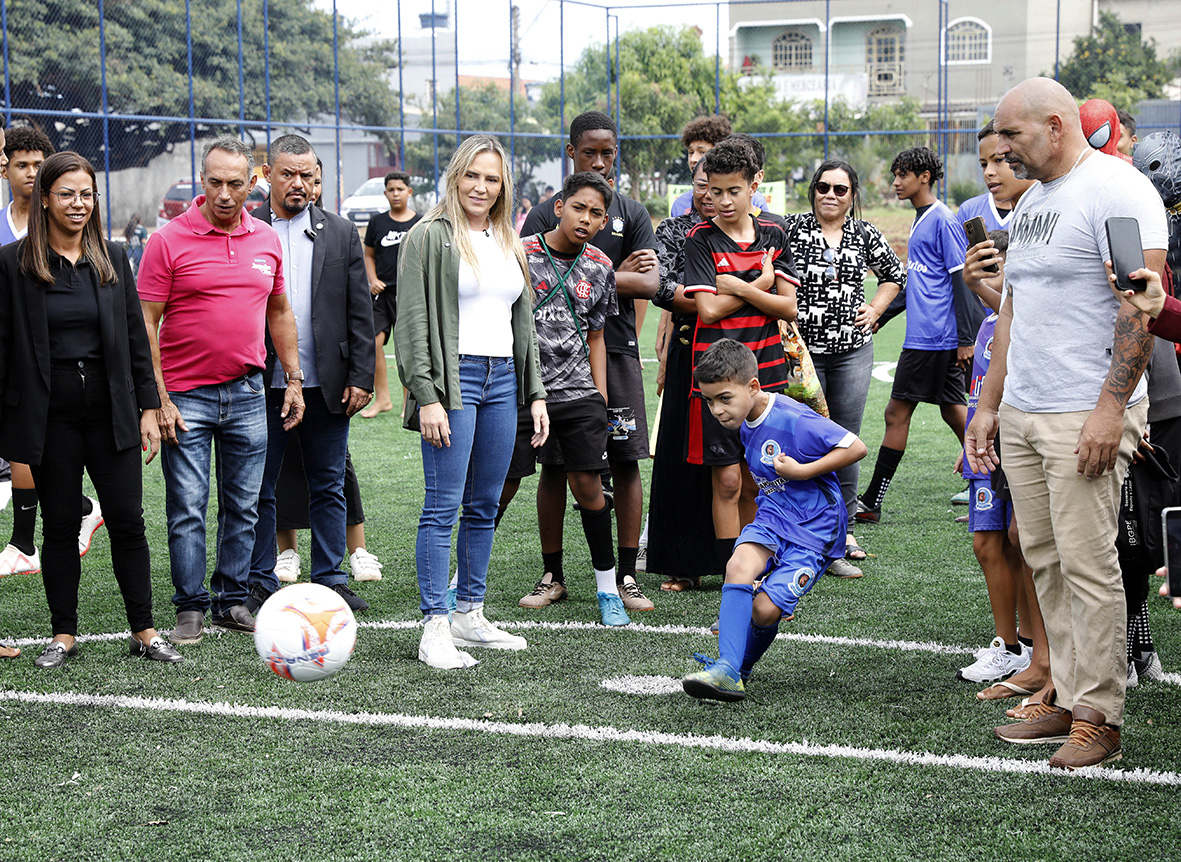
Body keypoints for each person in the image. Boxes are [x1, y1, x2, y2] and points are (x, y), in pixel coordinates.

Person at [966, 77, 1167, 769]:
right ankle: (1062, 692)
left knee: (1087, 565)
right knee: (1043, 559)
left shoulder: (1118, 189)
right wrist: (988, 407)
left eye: (1012, 135)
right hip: (1024, 411)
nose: (1003, 149)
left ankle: (1099, 718)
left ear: (1054, 126)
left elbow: (1137, 306)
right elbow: (1012, 314)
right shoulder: (1033, 204)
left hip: (1084, 413)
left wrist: (1110, 410)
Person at [0, 151, 183, 667]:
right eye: (66, 194)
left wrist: (150, 406)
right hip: (48, 418)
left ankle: (145, 631)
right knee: (58, 525)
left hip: (112, 414)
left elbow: (134, 339)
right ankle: (63, 636)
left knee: (127, 520)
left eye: (86, 194)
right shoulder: (13, 265)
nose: (78, 204)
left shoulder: (114, 257)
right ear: (44, 199)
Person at [138, 135, 304, 645]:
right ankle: (189, 607)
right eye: (215, 183)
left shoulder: (265, 240)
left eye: (236, 183)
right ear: (202, 179)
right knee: (187, 505)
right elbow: (146, 322)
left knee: (245, 503)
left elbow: (279, 312)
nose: (226, 194)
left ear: (252, 181)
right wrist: (158, 399)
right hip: (185, 397)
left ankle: (230, 599)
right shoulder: (168, 239)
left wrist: (293, 378)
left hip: (249, 392)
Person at [395, 134, 548, 669]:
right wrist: (427, 396)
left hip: (503, 379)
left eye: (492, 178)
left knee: (484, 505)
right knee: (442, 507)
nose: (481, 187)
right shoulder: (428, 237)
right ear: (456, 176)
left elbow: (522, 321)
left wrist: (535, 393)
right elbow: (411, 322)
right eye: (472, 176)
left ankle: (469, 613)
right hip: (452, 380)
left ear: (503, 185)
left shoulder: (510, 238)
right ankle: (434, 626)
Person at [519, 111, 658, 612]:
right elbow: (539, 267)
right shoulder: (542, 213)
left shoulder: (633, 212)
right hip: (551, 368)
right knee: (555, 467)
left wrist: (608, 273)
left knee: (625, 461)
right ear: (571, 152)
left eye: (609, 154)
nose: (600, 162)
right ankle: (552, 574)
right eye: (590, 152)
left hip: (613, 356)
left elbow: (649, 282)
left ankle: (624, 578)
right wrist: (611, 270)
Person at [681, 339, 867, 701]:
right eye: (709, 401)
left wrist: (803, 471)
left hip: (815, 528)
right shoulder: (746, 419)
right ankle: (727, 668)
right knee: (739, 566)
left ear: (753, 387)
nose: (717, 410)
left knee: (765, 610)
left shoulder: (793, 417)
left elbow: (855, 447)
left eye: (724, 398)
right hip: (774, 516)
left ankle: (740, 668)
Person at [245, 135, 375, 615]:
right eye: (287, 173)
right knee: (259, 486)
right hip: (259, 383)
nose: (298, 183)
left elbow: (360, 311)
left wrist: (362, 375)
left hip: (328, 382)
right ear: (267, 174)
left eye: (306, 175)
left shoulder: (340, 232)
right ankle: (257, 580)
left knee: (328, 482)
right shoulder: (246, 227)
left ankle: (330, 578)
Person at [499, 172, 633, 624]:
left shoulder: (599, 266)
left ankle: (607, 589)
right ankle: (479, 581)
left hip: (578, 394)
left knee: (588, 485)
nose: (587, 218)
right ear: (560, 207)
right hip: (521, 391)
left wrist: (600, 395)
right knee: (504, 484)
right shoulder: (521, 254)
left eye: (597, 213)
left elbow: (597, 336)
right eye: (579, 208)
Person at [683, 138, 800, 582]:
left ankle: (761, 571)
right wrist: (762, 284)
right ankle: (735, 577)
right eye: (715, 191)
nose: (724, 201)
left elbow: (789, 307)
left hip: (766, 372)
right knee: (728, 481)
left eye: (734, 190)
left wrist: (742, 285)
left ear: (755, 184)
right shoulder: (700, 238)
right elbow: (707, 311)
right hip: (716, 380)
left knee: (759, 479)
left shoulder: (774, 233)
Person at [781, 159, 905, 577]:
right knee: (800, 438)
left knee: (845, 439)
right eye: (823, 187)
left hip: (852, 351)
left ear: (853, 196)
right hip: (801, 354)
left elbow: (894, 275)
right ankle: (796, 529)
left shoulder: (865, 233)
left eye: (840, 189)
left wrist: (876, 308)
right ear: (812, 191)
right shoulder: (792, 228)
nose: (830, 195)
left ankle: (843, 531)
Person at [0, 126, 102, 578]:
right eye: (21, 164)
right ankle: (78, 506)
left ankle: (24, 542)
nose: (30, 173)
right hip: (13, 344)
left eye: (38, 165)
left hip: (53, 357)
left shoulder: (70, 222)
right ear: (6, 169)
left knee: (33, 446)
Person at [856, 146, 972, 523]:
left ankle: (872, 501)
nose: (895, 182)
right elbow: (917, 284)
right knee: (955, 412)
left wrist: (965, 339)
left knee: (896, 413)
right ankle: (993, 482)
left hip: (933, 339)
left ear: (924, 176)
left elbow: (962, 281)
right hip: (929, 338)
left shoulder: (942, 219)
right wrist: (881, 316)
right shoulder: (921, 218)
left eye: (903, 174)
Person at [648, 158, 722, 590]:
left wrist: (716, 297)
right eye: (702, 185)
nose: (711, 196)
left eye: (722, 188)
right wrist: (725, 297)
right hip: (687, 351)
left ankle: (743, 560)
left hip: (741, 352)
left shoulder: (753, 230)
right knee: (681, 457)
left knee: (737, 463)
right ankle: (682, 562)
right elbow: (662, 289)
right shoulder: (674, 231)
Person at [362, 170, 420, 418]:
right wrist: (372, 279)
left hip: (409, 295)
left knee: (407, 349)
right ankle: (383, 399)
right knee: (374, 343)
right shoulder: (377, 223)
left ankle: (409, 402)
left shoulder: (421, 222)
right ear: (385, 193)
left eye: (400, 189)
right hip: (382, 294)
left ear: (409, 192)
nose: (396, 194)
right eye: (391, 190)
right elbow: (368, 255)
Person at [668, 115, 766, 217]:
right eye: (691, 152)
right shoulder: (681, 204)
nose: (694, 159)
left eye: (702, 152)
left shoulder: (754, 200)